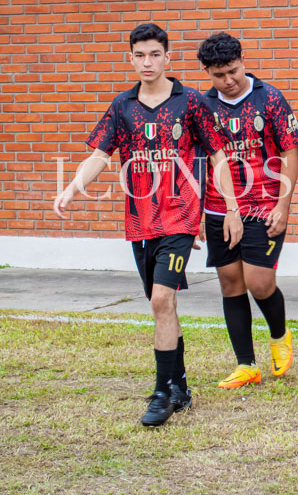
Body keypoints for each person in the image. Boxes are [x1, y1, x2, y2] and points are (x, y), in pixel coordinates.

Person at [53, 23, 243, 427]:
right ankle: (180, 384)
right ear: (131, 58)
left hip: (180, 218)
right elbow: (101, 156)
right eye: (139, 55)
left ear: (167, 57)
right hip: (140, 223)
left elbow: (219, 157)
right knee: (163, 305)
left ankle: (162, 395)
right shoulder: (122, 106)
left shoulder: (190, 102)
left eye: (155, 54)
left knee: (161, 300)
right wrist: (72, 187)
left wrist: (230, 207)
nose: (147, 62)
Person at [197, 32, 298, 389]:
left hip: (264, 205)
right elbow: (200, 161)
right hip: (218, 208)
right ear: (207, 73)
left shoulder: (269, 98)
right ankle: (246, 365)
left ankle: (279, 336)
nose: (228, 81)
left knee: (259, 283)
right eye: (218, 75)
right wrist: (196, 213)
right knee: (231, 283)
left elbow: (291, 151)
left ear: (243, 61)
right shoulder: (203, 106)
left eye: (232, 71)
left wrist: (283, 205)